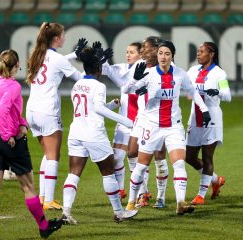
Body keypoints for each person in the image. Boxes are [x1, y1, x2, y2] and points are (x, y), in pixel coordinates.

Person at [0, 49, 62, 240]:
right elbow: (3, 110)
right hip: (10, 141)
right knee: (28, 187)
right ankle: (44, 227)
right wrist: (10, 134)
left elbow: (6, 113)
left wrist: (22, 123)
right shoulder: (14, 86)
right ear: (16, 66)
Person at [123, 41, 211, 215]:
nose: (163, 57)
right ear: (157, 56)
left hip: (173, 126)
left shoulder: (180, 74)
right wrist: (135, 80)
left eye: (167, 54)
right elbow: (126, 90)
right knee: (141, 166)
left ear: (172, 56)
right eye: (161, 53)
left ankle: (180, 203)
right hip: (152, 126)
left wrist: (204, 108)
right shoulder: (148, 74)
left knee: (179, 164)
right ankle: (131, 202)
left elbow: (192, 92)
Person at [61, 46, 138, 225]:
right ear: (99, 69)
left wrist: (111, 105)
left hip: (76, 133)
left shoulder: (77, 84)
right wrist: (125, 120)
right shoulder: (99, 85)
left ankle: (66, 212)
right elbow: (96, 108)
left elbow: (90, 108)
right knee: (108, 173)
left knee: (73, 173)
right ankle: (119, 212)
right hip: (94, 134)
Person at [25, 22, 87, 210]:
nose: (65, 38)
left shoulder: (36, 54)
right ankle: (49, 199)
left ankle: (43, 197)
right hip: (47, 110)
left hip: (32, 111)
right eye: (63, 35)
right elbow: (81, 78)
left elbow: (55, 60)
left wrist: (74, 55)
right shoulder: (57, 59)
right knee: (53, 156)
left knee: (47, 154)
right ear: (56, 38)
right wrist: (94, 63)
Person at [186, 42, 231, 205]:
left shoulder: (219, 73)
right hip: (194, 118)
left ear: (211, 54)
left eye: (202, 51)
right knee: (189, 156)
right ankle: (216, 180)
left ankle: (200, 195)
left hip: (211, 118)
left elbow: (228, 95)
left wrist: (218, 92)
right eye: (198, 51)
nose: (198, 54)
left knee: (207, 156)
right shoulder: (192, 71)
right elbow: (181, 82)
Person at [127, 36, 169, 209]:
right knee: (131, 152)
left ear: (155, 49)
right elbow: (128, 88)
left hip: (160, 117)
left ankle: (161, 197)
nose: (142, 50)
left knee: (159, 156)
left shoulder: (168, 68)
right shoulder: (139, 66)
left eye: (145, 47)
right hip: (142, 116)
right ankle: (144, 192)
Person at [101, 42, 143, 200]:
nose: (128, 54)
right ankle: (121, 190)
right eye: (127, 51)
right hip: (123, 119)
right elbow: (105, 70)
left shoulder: (144, 69)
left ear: (141, 54)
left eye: (132, 52)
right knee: (117, 157)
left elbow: (125, 85)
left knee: (136, 158)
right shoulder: (123, 67)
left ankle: (141, 193)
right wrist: (103, 60)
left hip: (138, 120)